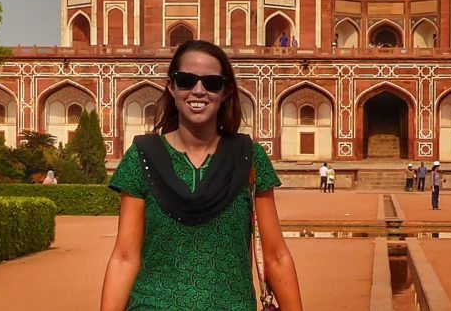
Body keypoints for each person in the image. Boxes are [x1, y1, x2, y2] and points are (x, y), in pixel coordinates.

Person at [101, 39, 303, 311]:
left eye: (212, 83)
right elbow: (125, 256)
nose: (198, 91)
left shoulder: (249, 157)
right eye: (186, 80)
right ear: (171, 87)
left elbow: (276, 255)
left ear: (227, 91)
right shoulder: (142, 157)